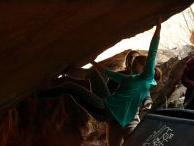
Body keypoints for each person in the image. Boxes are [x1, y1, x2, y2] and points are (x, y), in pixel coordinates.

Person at [38, 18, 161, 146]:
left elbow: (153, 51)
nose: (132, 65)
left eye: (136, 64)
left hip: (105, 110)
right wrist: (92, 61)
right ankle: (67, 70)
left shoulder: (146, 77)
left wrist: (158, 28)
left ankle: (39, 94)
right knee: (93, 74)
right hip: (107, 103)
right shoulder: (130, 78)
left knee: (69, 87)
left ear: (145, 68)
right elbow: (109, 73)